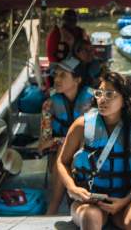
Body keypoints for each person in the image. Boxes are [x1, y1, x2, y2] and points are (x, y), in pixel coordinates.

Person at [56, 72, 131, 230]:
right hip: (89, 201)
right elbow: (62, 162)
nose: (102, 99)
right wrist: (72, 188)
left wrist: (125, 200)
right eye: (99, 93)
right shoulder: (81, 125)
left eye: (110, 94)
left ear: (125, 99)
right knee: (90, 216)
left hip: (126, 198)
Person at [39, 56, 94, 214]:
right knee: (64, 149)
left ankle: (59, 209)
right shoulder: (49, 105)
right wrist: (67, 142)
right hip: (60, 155)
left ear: (77, 80)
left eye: (63, 75)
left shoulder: (93, 102)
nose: (56, 79)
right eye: (55, 74)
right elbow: (43, 144)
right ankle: (54, 208)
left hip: (87, 154)